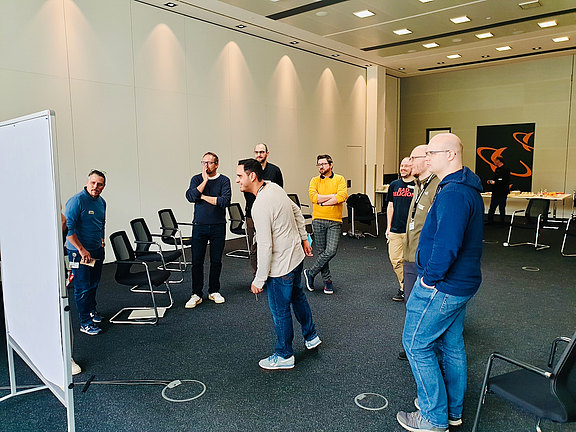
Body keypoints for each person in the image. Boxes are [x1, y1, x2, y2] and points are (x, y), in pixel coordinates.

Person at [397, 133, 484, 432]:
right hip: (461, 283)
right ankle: (452, 411)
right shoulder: (462, 187)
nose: (426, 157)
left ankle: (433, 417)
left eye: (431, 153)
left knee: (415, 344)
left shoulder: (453, 193)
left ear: (450, 155)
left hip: (444, 285)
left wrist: (429, 280)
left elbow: (447, 246)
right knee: (451, 345)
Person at [236, 158, 320, 370]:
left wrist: (259, 280)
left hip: (281, 266)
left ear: (252, 176)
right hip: (296, 258)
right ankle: (311, 337)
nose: (237, 180)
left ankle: (284, 355)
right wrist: (304, 238)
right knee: (298, 297)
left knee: (280, 310)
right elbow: (297, 211)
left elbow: (265, 246)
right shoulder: (275, 188)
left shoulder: (259, 205)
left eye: (240, 176)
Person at [398, 144, 441, 361]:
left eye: (413, 158)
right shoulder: (418, 185)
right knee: (411, 303)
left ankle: (425, 349)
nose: (409, 162)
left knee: (425, 307)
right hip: (410, 254)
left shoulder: (437, 186)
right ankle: (414, 345)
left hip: (425, 258)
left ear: (427, 159)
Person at [185, 152, 231, 308]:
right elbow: (191, 196)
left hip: (218, 226)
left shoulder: (224, 180)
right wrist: (204, 181)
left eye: (209, 163)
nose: (206, 166)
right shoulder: (196, 179)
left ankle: (214, 291)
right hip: (199, 226)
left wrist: (203, 197)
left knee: (216, 260)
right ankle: (196, 293)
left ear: (216, 164)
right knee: (197, 261)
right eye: (203, 162)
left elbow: (224, 201)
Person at [65, 170, 107, 336]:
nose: (95, 187)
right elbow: (68, 229)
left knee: (93, 283)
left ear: (103, 186)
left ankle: (91, 312)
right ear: (87, 182)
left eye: (99, 184)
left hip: (96, 250)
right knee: (82, 287)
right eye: (93, 183)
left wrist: (101, 240)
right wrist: (82, 250)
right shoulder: (77, 201)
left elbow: (102, 223)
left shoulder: (101, 202)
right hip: (79, 253)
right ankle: (85, 323)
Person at [304, 154, 348, 295]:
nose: (321, 167)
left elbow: (342, 196)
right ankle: (327, 281)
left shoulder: (339, 179)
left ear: (331, 164)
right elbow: (313, 198)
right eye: (319, 164)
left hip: (335, 221)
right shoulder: (314, 180)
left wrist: (322, 202)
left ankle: (311, 273)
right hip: (318, 220)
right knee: (322, 252)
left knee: (331, 251)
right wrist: (332, 196)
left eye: (323, 164)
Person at [244, 143, 284, 275]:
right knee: (255, 247)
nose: (259, 155)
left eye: (261, 152)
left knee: (273, 245)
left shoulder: (275, 170)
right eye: (256, 152)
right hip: (252, 215)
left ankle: (273, 274)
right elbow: (246, 191)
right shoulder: (249, 171)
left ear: (267, 153)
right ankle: (257, 275)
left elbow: (279, 192)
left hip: (272, 215)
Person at [386, 157, 415, 302]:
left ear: (412, 167)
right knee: (395, 260)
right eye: (401, 165)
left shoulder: (418, 186)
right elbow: (390, 206)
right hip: (395, 230)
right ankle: (407, 286)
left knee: (411, 261)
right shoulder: (394, 185)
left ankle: (405, 289)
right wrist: (388, 227)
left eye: (406, 166)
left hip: (412, 231)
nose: (402, 168)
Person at [486, 156, 510, 224]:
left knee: (501, 207)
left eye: (495, 160)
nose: (494, 162)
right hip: (495, 191)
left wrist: (496, 182)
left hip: (502, 192)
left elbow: (505, 181)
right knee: (492, 207)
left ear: (499, 161)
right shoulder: (497, 170)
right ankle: (490, 221)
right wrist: (491, 181)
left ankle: (502, 222)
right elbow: (496, 179)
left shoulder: (506, 169)